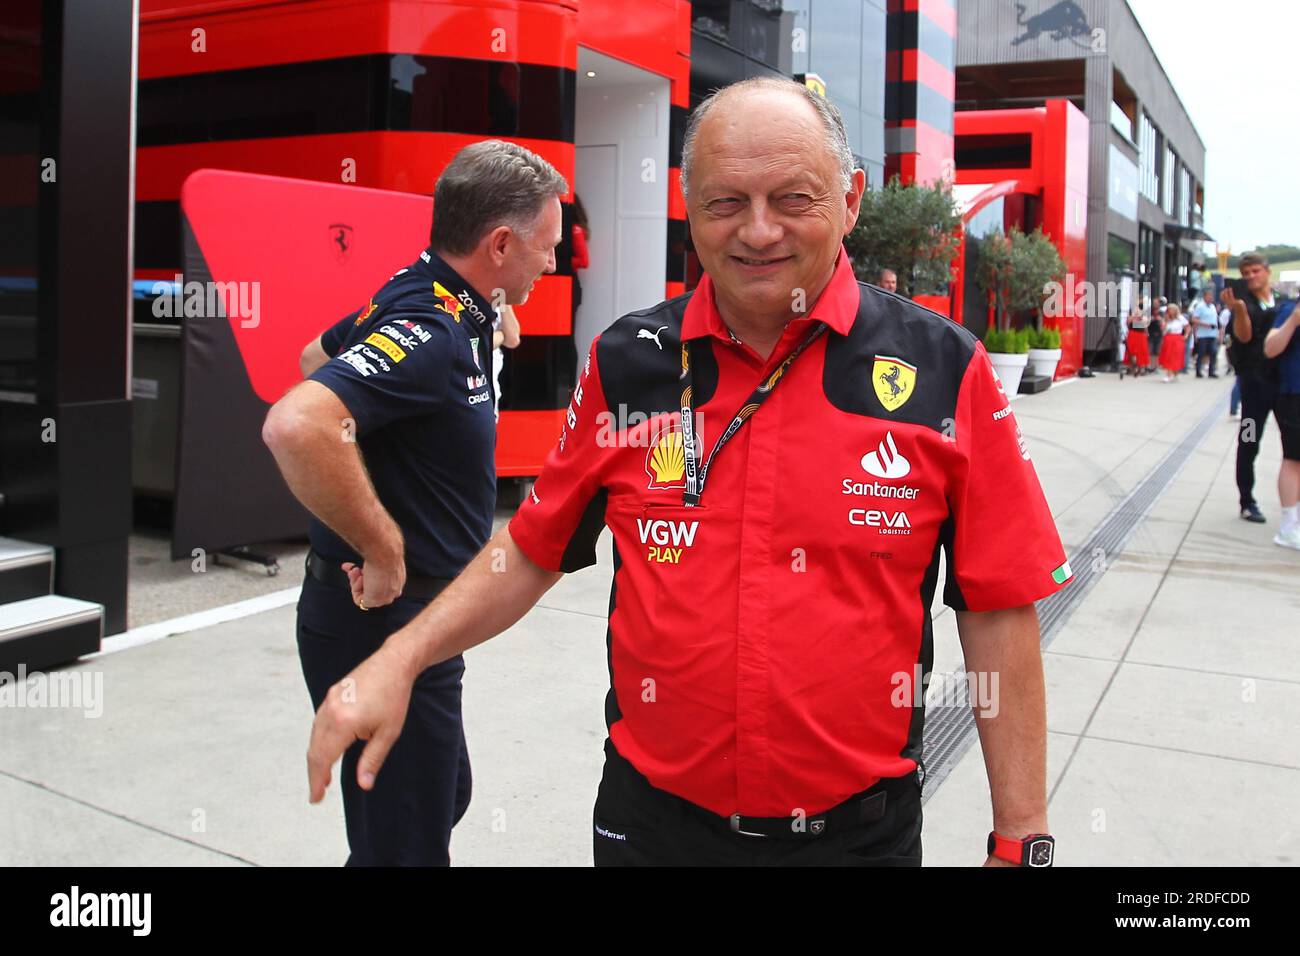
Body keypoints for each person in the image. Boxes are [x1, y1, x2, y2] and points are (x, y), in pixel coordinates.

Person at [302, 76, 1072, 869]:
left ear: (850, 199)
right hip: (651, 833)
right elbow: (531, 549)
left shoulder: (944, 370)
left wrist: (1023, 836)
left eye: (793, 198)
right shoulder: (628, 364)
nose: (759, 231)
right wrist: (400, 657)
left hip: (856, 840)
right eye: (726, 202)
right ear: (688, 205)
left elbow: (999, 607)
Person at [263, 139, 567, 865]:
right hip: (379, 619)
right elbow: (298, 419)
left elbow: (317, 355)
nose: (551, 265)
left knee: (436, 798)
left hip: (423, 625)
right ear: (499, 243)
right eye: (546, 248)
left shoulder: (444, 296)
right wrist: (381, 546)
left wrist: (492, 321)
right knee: (405, 843)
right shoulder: (429, 328)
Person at [1223, 252, 1287, 523]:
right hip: (1253, 388)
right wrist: (1238, 309)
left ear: (1267, 271)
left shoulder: (1285, 304)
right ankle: (1246, 500)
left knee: (1293, 444)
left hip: (1285, 386)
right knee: (1248, 440)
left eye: (1255, 271)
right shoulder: (1242, 304)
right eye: (1246, 273)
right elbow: (1244, 336)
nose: (1250, 277)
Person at [1263, 298, 1300, 549]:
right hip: (1265, 392)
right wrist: (1293, 321)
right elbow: (1269, 348)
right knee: (1248, 438)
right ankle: (1247, 501)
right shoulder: (1289, 309)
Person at [1191, 287, 1220, 378]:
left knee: (1213, 352)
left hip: (1212, 333)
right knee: (1201, 352)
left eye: (1212, 296)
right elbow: (1194, 319)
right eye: (1209, 296)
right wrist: (1205, 325)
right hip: (1203, 334)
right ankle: (1198, 371)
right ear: (1205, 297)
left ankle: (1211, 371)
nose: (1211, 298)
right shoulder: (1200, 306)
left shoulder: (1212, 307)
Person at [1158, 303, 1187, 383]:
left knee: (1175, 356)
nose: (1169, 311)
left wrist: (1185, 335)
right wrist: (1165, 321)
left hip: (1177, 338)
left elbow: (1187, 327)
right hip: (1168, 338)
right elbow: (1163, 330)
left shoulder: (1181, 318)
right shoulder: (1166, 319)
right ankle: (1169, 374)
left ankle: (1173, 373)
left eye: (1171, 309)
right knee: (1168, 356)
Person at [1124, 300, 1151, 375]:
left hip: (1141, 334)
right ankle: (1131, 367)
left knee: (1142, 351)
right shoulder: (1132, 313)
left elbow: (1146, 324)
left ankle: (1141, 367)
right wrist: (1134, 317)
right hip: (1133, 333)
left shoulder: (1145, 314)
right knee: (1131, 350)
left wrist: (1146, 332)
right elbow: (1128, 322)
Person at [1147, 296, 1166, 372]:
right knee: (1150, 350)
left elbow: (1165, 321)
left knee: (1157, 351)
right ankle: (1150, 365)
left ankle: (1155, 366)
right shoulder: (1149, 311)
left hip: (1159, 333)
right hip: (1151, 332)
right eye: (1154, 303)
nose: (1155, 304)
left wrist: (1161, 320)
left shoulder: (1162, 312)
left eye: (1157, 303)